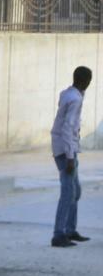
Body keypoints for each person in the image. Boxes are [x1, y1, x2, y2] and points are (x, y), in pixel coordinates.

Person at [51, 66, 92, 248]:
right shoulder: (75, 99)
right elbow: (67, 128)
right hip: (65, 150)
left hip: (67, 147)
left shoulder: (68, 94)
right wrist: (69, 156)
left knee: (75, 191)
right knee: (68, 193)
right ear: (86, 81)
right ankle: (58, 235)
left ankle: (70, 230)